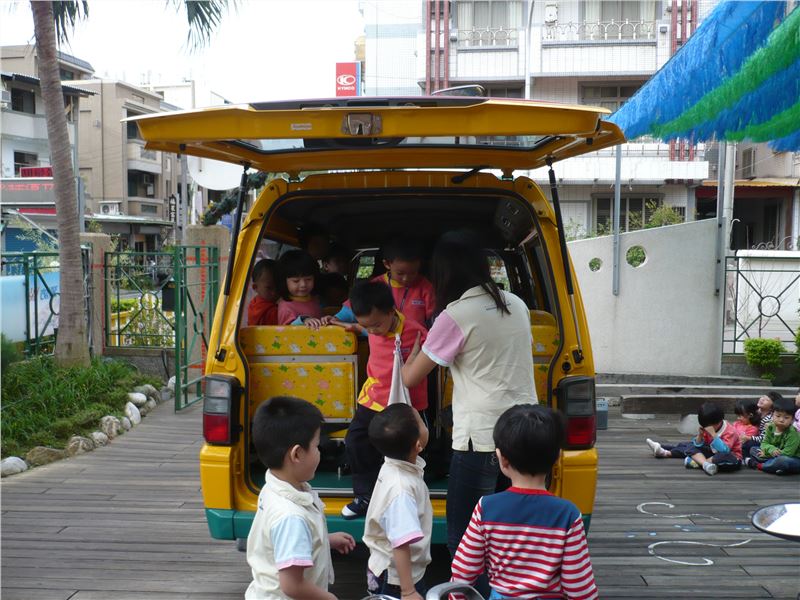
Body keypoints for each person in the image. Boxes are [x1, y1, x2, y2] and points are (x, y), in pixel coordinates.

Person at [401, 230, 536, 567]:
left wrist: (409, 353)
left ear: (443, 273)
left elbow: (411, 378)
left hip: (481, 437)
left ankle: (471, 589)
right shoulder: (517, 304)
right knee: (508, 532)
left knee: (464, 539)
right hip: (525, 431)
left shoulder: (456, 315)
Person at [450, 404, 598, 600]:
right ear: (556, 458)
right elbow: (581, 590)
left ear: (502, 459)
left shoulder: (486, 508)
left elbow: (463, 573)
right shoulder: (567, 515)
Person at [325, 282, 429, 519]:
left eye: (376, 325)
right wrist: (347, 325)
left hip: (405, 404)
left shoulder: (416, 332)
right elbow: (364, 328)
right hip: (373, 398)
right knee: (356, 441)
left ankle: (408, 498)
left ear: (392, 311)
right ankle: (365, 496)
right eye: (366, 327)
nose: (372, 331)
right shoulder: (372, 327)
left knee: (406, 452)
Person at [245, 396, 355, 599]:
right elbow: (293, 585)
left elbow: (285, 542)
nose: (319, 452)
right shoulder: (290, 517)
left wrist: (325, 541)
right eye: (316, 446)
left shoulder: (274, 486)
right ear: (296, 454)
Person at [363, 403, 432, 600]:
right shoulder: (402, 490)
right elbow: (401, 541)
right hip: (398, 579)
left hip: (387, 568)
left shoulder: (392, 463)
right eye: (421, 422)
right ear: (417, 445)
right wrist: (408, 591)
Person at [327, 238, 434, 328]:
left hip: (417, 342)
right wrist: (336, 318)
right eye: (400, 273)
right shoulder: (374, 285)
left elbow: (434, 320)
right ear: (387, 264)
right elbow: (353, 308)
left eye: (413, 273)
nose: (406, 278)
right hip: (381, 342)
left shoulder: (426, 287)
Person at [645, 402, 742, 475]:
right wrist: (700, 436)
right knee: (690, 446)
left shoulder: (730, 431)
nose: (707, 427)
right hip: (711, 453)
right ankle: (664, 451)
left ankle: (699, 462)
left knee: (724, 457)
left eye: (709, 425)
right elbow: (698, 445)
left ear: (719, 421)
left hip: (730, 457)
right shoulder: (708, 426)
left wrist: (714, 435)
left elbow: (724, 450)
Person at [745, 396, 800, 475]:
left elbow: (788, 453)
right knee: (753, 449)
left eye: (786, 417)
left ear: (792, 419)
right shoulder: (770, 427)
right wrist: (771, 450)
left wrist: (767, 454)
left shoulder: (793, 433)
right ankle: (777, 468)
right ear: (772, 415)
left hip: (793, 458)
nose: (781, 420)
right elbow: (764, 443)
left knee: (782, 460)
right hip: (774, 454)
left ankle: (760, 465)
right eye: (778, 416)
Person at [276, 250, 323, 325]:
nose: (303, 284)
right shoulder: (285, 307)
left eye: (308, 279)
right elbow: (286, 330)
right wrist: (303, 321)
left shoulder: (315, 299)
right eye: (296, 281)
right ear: (284, 281)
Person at [742, 392, 781, 458]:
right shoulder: (757, 413)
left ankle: (748, 459)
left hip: (768, 443)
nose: (762, 399)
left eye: (766, 400)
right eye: (763, 397)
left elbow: (764, 438)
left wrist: (749, 438)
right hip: (758, 439)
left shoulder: (769, 419)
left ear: (772, 407)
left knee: (748, 444)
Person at [248, 259, 279, 326]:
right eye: (269, 288)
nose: (274, 292)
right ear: (255, 287)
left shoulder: (254, 303)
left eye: (278, 287)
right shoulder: (272, 311)